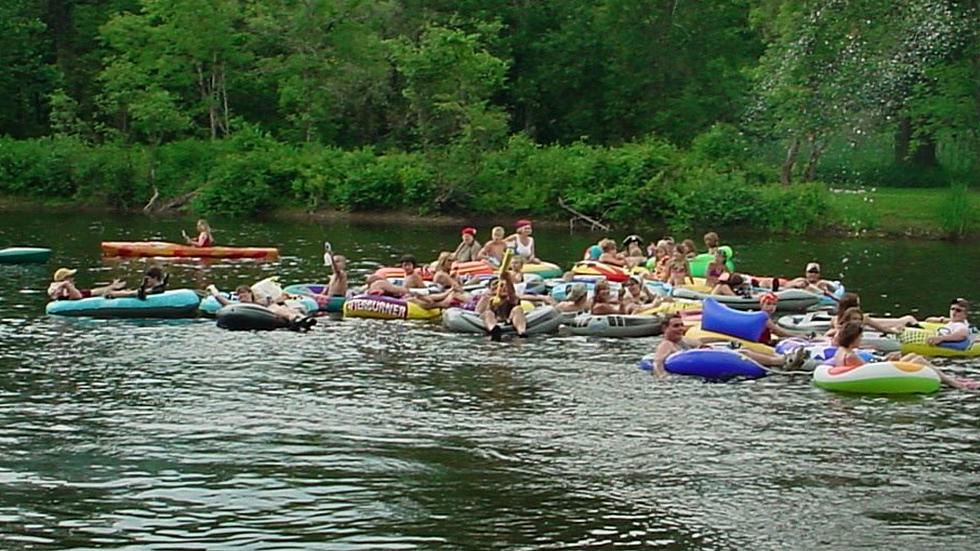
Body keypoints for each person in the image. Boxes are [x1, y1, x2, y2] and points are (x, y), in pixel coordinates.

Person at [833, 321, 976, 390]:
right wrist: (887, 362)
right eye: (860, 337)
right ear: (854, 338)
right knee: (918, 359)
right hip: (873, 376)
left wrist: (887, 359)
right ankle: (954, 383)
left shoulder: (842, 351)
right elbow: (865, 373)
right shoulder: (850, 355)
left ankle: (953, 380)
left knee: (912, 356)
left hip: (872, 370)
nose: (861, 339)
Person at [651, 314, 805, 377]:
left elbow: (701, 342)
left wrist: (724, 341)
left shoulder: (683, 340)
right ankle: (782, 361)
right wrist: (663, 377)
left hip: (708, 360)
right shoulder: (666, 345)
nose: (680, 329)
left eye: (681, 325)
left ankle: (783, 358)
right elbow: (658, 362)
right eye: (675, 326)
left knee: (744, 349)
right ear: (665, 329)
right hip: (694, 366)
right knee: (745, 353)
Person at [208, 284, 317, 331]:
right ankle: (295, 319)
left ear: (251, 294)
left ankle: (298, 319)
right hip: (251, 314)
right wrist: (213, 289)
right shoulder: (235, 305)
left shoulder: (260, 302)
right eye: (240, 295)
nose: (243, 297)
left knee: (276, 307)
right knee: (274, 307)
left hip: (268, 314)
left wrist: (282, 297)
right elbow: (220, 299)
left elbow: (276, 301)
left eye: (245, 294)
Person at [825, 293, 917, 337]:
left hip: (867, 328)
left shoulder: (834, 320)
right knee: (907, 319)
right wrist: (898, 332)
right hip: (870, 328)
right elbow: (883, 329)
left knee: (903, 321)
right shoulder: (862, 319)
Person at [476, 272, 527, 341]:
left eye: (502, 285)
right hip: (492, 320)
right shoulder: (486, 298)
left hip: (509, 319)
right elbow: (477, 313)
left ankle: (521, 332)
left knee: (518, 309)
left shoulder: (511, 297)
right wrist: (489, 303)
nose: (499, 287)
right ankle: (494, 330)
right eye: (495, 285)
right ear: (490, 288)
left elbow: (512, 295)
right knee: (488, 313)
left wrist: (508, 280)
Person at [47, 267, 125, 301]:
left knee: (108, 292)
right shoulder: (63, 291)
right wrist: (66, 284)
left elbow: (95, 291)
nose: (73, 279)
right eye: (71, 277)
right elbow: (78, 297)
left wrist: (112, 286)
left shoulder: (72, 290)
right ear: (65, 279)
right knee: (111, 294)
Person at [104, 266, 169, 299]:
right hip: (143, 292)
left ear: (155, 278)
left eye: (148, 279)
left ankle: (112, 293)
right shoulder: (160, 287)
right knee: (130, 291)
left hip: (138, 293)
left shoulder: (157, 289)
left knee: (131, 293)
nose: (147, 281)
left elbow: (136, 294)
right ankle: (112, 293)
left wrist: (114, 294)